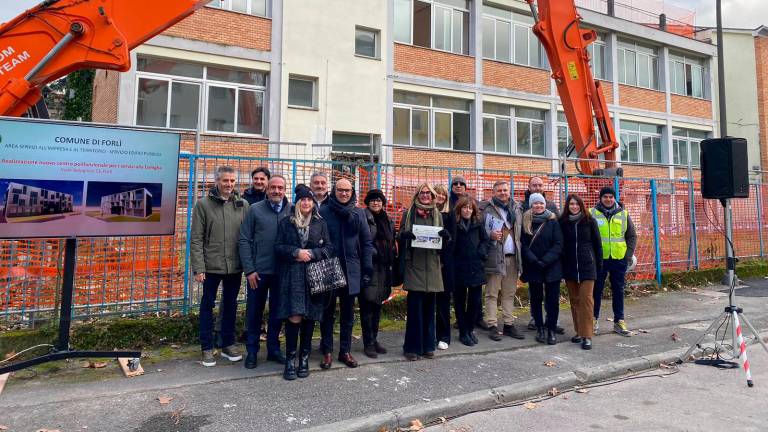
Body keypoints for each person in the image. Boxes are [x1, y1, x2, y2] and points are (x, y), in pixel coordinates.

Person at [190, 165, 248, 367]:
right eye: (225, 180)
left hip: (234, 266)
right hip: (210, 266)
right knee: (207, 306)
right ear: (217, 181)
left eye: (232, 181)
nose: (229, 185)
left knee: (230, 305)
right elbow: (196, 238)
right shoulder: (203, 205)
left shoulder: (242, 204)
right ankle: (206, 348)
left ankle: (227, 344)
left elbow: (247, 236)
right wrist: (199, 268)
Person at [274, 184, 334, 380]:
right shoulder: (285, 222)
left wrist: (313, 253)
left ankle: (305, 358)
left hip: (313, 275)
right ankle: (291, 359)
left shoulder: (320, 223)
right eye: (303, 199)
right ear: (297, 202)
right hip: (292, 276)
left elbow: (329, 248)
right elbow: (278, 247)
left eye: (309, 199)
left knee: (309, 317)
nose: (306, 202)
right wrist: (295, 252)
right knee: (294, 316)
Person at [319, 178, 374, 368]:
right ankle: (326, 351)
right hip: (329, 269)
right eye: (340, 190)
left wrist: (367, 270)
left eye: (347, 191)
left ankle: (345, 351)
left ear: (352, 193)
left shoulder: (359, 214)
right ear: (334, 191)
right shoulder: (323, 211)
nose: (344, 194)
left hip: (351, 270)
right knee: (327, 313)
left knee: (348, 315)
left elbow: (367, 244)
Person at [238, 175, 291, 369]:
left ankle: (273, 350)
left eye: (280, 188)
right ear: (267, 190)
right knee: (254, 313)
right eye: (273, 188)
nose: (277, 191)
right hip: (258, 273)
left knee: (278, 312)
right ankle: (252, 352)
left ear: (285, 190)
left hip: (282, 272)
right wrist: (249, 269)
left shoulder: (292, 210)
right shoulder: (255, 210)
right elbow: (244, 240)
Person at [398, 183, 449, 360]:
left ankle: (428, 345)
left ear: (433, 196)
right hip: (415, 266)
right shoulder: (409, 213)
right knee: (415, 310)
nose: (426, 196)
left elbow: (442, 245)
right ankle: (411, 348)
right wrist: (404, 236)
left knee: (429, 310)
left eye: (428, 193)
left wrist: (446, 238)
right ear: (417, 195)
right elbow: (399, 234)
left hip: (433, 268)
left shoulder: (437, 215)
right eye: (422, 193)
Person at [591, 186, 637, 337]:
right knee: (596, 290)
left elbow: (632, 236)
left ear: (614, 198)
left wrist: (628, 255)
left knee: (618, 290)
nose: (608, 199)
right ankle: (593, 320)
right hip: (599, 260)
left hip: (619, 259)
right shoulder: (592, 214)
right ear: (600, 198)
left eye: (611, 197)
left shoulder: (623, 214)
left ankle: (619, 321)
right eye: (605, 197)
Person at [482, 180, 525, 341]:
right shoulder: (486, 209)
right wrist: (489, 235)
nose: (503, 193)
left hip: (513, 257)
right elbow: (480, 231)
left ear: (509, 191)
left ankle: (508, 324)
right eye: (499, 190)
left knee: (509, 293)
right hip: (494, 256)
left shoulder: (517, 208)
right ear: (493, 193)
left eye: (505, 190)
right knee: (492, 293)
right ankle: (492, 325)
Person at [559, 194, 602, 350]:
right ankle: (578, 331)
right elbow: (561, 246)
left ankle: (587, 335)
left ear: (581, 205)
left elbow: (598, 245)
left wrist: (598, 266)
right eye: (571, 204)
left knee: (586, 300)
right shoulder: (562, 222)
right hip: (570, 267)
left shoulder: (589, 221)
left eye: (577, 204)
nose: (574, 206)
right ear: (567, 206)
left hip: (588, 267)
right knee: (575, 301)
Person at [521, 193, 563, 345]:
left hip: (552, 267)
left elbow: (558, 244)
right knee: (536, 300)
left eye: (541, 203)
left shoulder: (553, 221)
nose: (538, 206)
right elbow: (523, 245)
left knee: (552, 301)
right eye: (535, 204)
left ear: (545, 205)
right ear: (531, 206)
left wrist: (545, 260)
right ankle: (540, 328)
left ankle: (551, 329)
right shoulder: (526, 221)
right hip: (534, 267)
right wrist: (534, 260)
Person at [361, 189, 397, 358]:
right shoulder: (363, 217)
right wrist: (373, 252)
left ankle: (374, 339)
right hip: (369, 266)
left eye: (379, 200)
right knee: (367, 304)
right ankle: (367, 342)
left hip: (384, 267)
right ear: (367, 202)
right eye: (373, 200)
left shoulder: (388, 220)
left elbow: (392, 239)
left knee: (377, 305)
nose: (376, 203)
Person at [453, 196, 491, 346]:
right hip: (459, 267)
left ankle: (469, 329)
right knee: (460, 301)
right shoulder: (454, 224)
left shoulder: (477, 223)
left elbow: (485, 240)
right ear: (459, 209)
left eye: (470, 208)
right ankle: (463, 332)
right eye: (464, 207)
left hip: (476, 267)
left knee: (475, 302)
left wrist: (481, 253)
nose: (467, 210)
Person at [433, 184, 456, 350]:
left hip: (444, 264)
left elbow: (453, 240)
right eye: (438, 194)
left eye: (443, 195)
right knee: (428, 302)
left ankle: (444, 336)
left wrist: (443, 258)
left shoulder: (450, 214)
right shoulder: (427, 212)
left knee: (443, 302)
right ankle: (430, 334)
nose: (441, 197)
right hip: (428, 263)